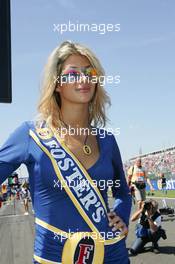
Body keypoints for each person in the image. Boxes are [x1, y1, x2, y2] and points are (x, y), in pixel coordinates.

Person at [0, 41, 131, 264]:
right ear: (57, 84)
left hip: (112, 254)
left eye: (89, 72)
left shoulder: (107, 140)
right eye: (72, 74)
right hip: (54, 257)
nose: (84, 79)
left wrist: (122, 215)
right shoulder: (30, 135)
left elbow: (122, 192)